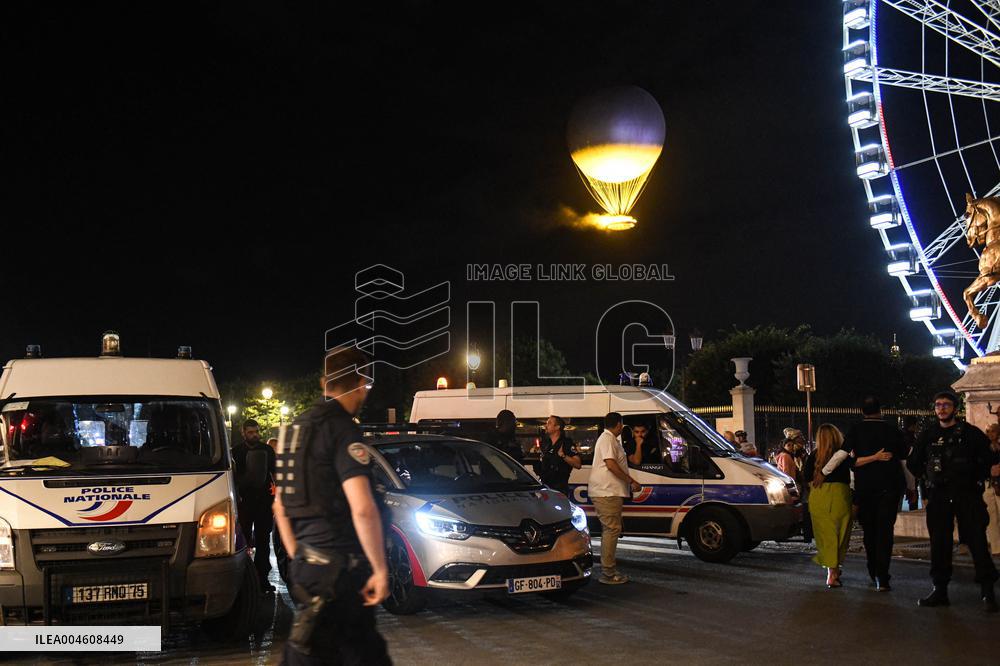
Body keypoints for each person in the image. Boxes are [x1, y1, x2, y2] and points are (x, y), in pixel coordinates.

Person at [274, 347, 392, 664]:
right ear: (360, 382)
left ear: (325, 383)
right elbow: (363, 507)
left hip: (305, 568)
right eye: (366, 384)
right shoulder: (343, 430)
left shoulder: (291, 432)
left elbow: (280, 508)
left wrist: (299, 554)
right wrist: (380, 569)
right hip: (341, 572)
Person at [907, 391, 998, 612]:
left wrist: (974, 476)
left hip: (967, 495)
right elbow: (914, 463)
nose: (941, 409)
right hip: (939, 496)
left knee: (977, 541)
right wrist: (928, 481)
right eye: (938, 405)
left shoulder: (971, 434)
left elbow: (990, 460)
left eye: (946, 405)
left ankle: (987, 590)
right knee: (939, 544)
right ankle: (940, 590)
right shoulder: (928, 435)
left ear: (955, 408)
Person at [842, 396, 907, 592]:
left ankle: (873, 569)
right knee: (885, 532)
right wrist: (911, 488)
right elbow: (904, 460)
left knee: (869, 532)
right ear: (881, 410)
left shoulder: (855, 430)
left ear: (862, 411)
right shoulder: (892, 430)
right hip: (890, 487)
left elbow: (848, 459)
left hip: (865, 489)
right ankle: (882, 575)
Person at [588, 412, 641, 585]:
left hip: (610, 492)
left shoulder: (611, 440)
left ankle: (608, 570)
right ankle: (608, 573)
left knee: (611, 530)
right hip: (607, 492)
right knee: (611, 530)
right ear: (618, 424)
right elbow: (611, 464)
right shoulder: (607, 439)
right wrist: (631, 481)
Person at [803, 424, 852, 588]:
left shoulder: (814, 456)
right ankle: (834, 571)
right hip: (840, 496)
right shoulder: (843, 456)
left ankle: (832, 571)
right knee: (840, 535)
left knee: (825, 536)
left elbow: (805, 476)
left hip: (818, 496)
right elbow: (854, 472)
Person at [232, 418, 277, 593]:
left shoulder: (267, 450)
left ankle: (262, 578)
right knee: (242, 541)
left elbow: (274, 473)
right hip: (244, 503)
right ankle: (242, 579)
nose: (255, 435)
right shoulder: (236, 451)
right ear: (243, 433)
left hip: (264, 502)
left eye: (256, 431)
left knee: (263, 540)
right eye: (250, 432)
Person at [537, 415, 581, 495]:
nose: (546, 426)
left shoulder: (566, 443)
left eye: (549, 423)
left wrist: (563, 455)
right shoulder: (546, 444)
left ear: (557, 427)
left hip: (559, 489)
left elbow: (578, 464)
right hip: (545, 488)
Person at [985, 423, 1000, 556]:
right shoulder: (984, 448)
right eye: (988, 431)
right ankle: (996, 548)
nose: (990, 434)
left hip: (998, 484)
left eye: (993, 431)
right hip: (988, 485)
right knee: (992, 518)